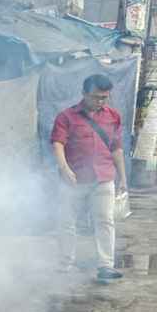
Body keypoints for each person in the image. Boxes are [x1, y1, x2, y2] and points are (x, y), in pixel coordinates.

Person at [51, 73, 128, 282]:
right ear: (84, 94)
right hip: (73, 179)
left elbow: (116, 149)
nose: (100, 102)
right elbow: (58, 144)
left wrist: (123, 178)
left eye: (104, 97)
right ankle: (64, 263)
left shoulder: (113, 116)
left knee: (105, 221)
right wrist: (64, 168)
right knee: (67, 221)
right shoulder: (66, 117)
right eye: (96, 97)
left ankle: (105, 266)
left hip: (103, 177)